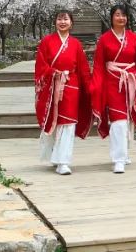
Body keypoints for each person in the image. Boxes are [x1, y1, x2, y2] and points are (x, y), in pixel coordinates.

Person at [91, 4, 136, 173]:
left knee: (128, 119)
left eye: (124, 15)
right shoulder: (104, 39)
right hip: (112, 83)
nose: (121, 18)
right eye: (117, 15)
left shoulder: (134, 38)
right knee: (118, 120)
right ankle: (118, 159)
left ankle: (124, 153)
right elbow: (99, 65)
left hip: (130, 82)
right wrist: (96, 84)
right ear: (111, 17)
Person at [34, 10, 93, 175]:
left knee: (68, 123)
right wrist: (54, 73)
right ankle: (54, 154)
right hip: (52, 86)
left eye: (66, 19)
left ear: (71, 23)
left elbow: (83, 68)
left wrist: (89, 88)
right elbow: (40, 65)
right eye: (59, 19)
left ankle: (63, 162)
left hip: (71, 85)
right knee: (55, 121)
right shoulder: (46, 42)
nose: (62, 22)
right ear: (55, 22)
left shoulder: (76, 44)